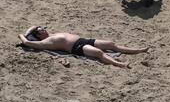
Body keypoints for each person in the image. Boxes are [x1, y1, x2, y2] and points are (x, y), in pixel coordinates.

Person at [18, 26, 149, 68]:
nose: (44, 30)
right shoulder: (45, 42)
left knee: (111, 44)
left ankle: (137, 50)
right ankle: (120, 64)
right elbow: (27, 43)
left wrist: (31, 29)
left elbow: (33, 26)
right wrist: (22, 36)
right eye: (41, 30)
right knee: (98, 53)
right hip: (77, 47)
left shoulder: (51, 34)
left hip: (83, 40)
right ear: (39, 35)